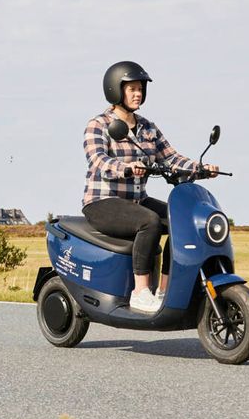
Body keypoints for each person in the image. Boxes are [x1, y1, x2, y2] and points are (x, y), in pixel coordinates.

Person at [82, 61, 216, 313]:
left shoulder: (148, 128)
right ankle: (140, 292)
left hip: (136, 200)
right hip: (103, 201)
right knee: (150, 222)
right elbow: (99, 160)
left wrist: (200, 167)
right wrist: (127, 167)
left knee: (182, 221)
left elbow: (172, 157)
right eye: (131, 88)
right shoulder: (98, 125)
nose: (137, 93)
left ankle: (164, 289)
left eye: (140, 88)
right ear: (115, 91)